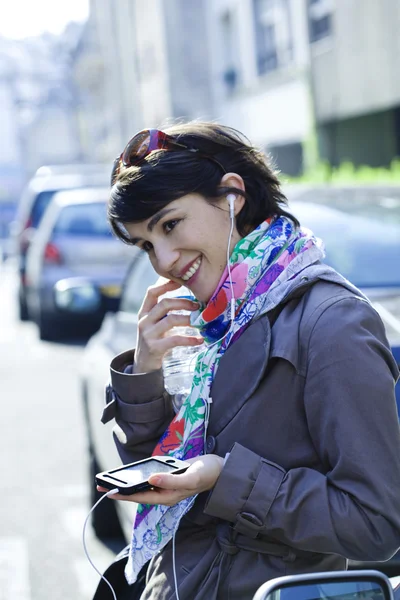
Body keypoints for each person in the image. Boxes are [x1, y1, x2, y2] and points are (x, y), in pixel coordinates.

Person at [99, 122, 400, 600]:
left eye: (170, 225)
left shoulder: (331, 322)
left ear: (233, 194)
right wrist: (145, 372)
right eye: (146, 245)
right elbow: (162, 481)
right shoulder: (211, 320)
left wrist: (226, 478)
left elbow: (375, 524)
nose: (164, 260)